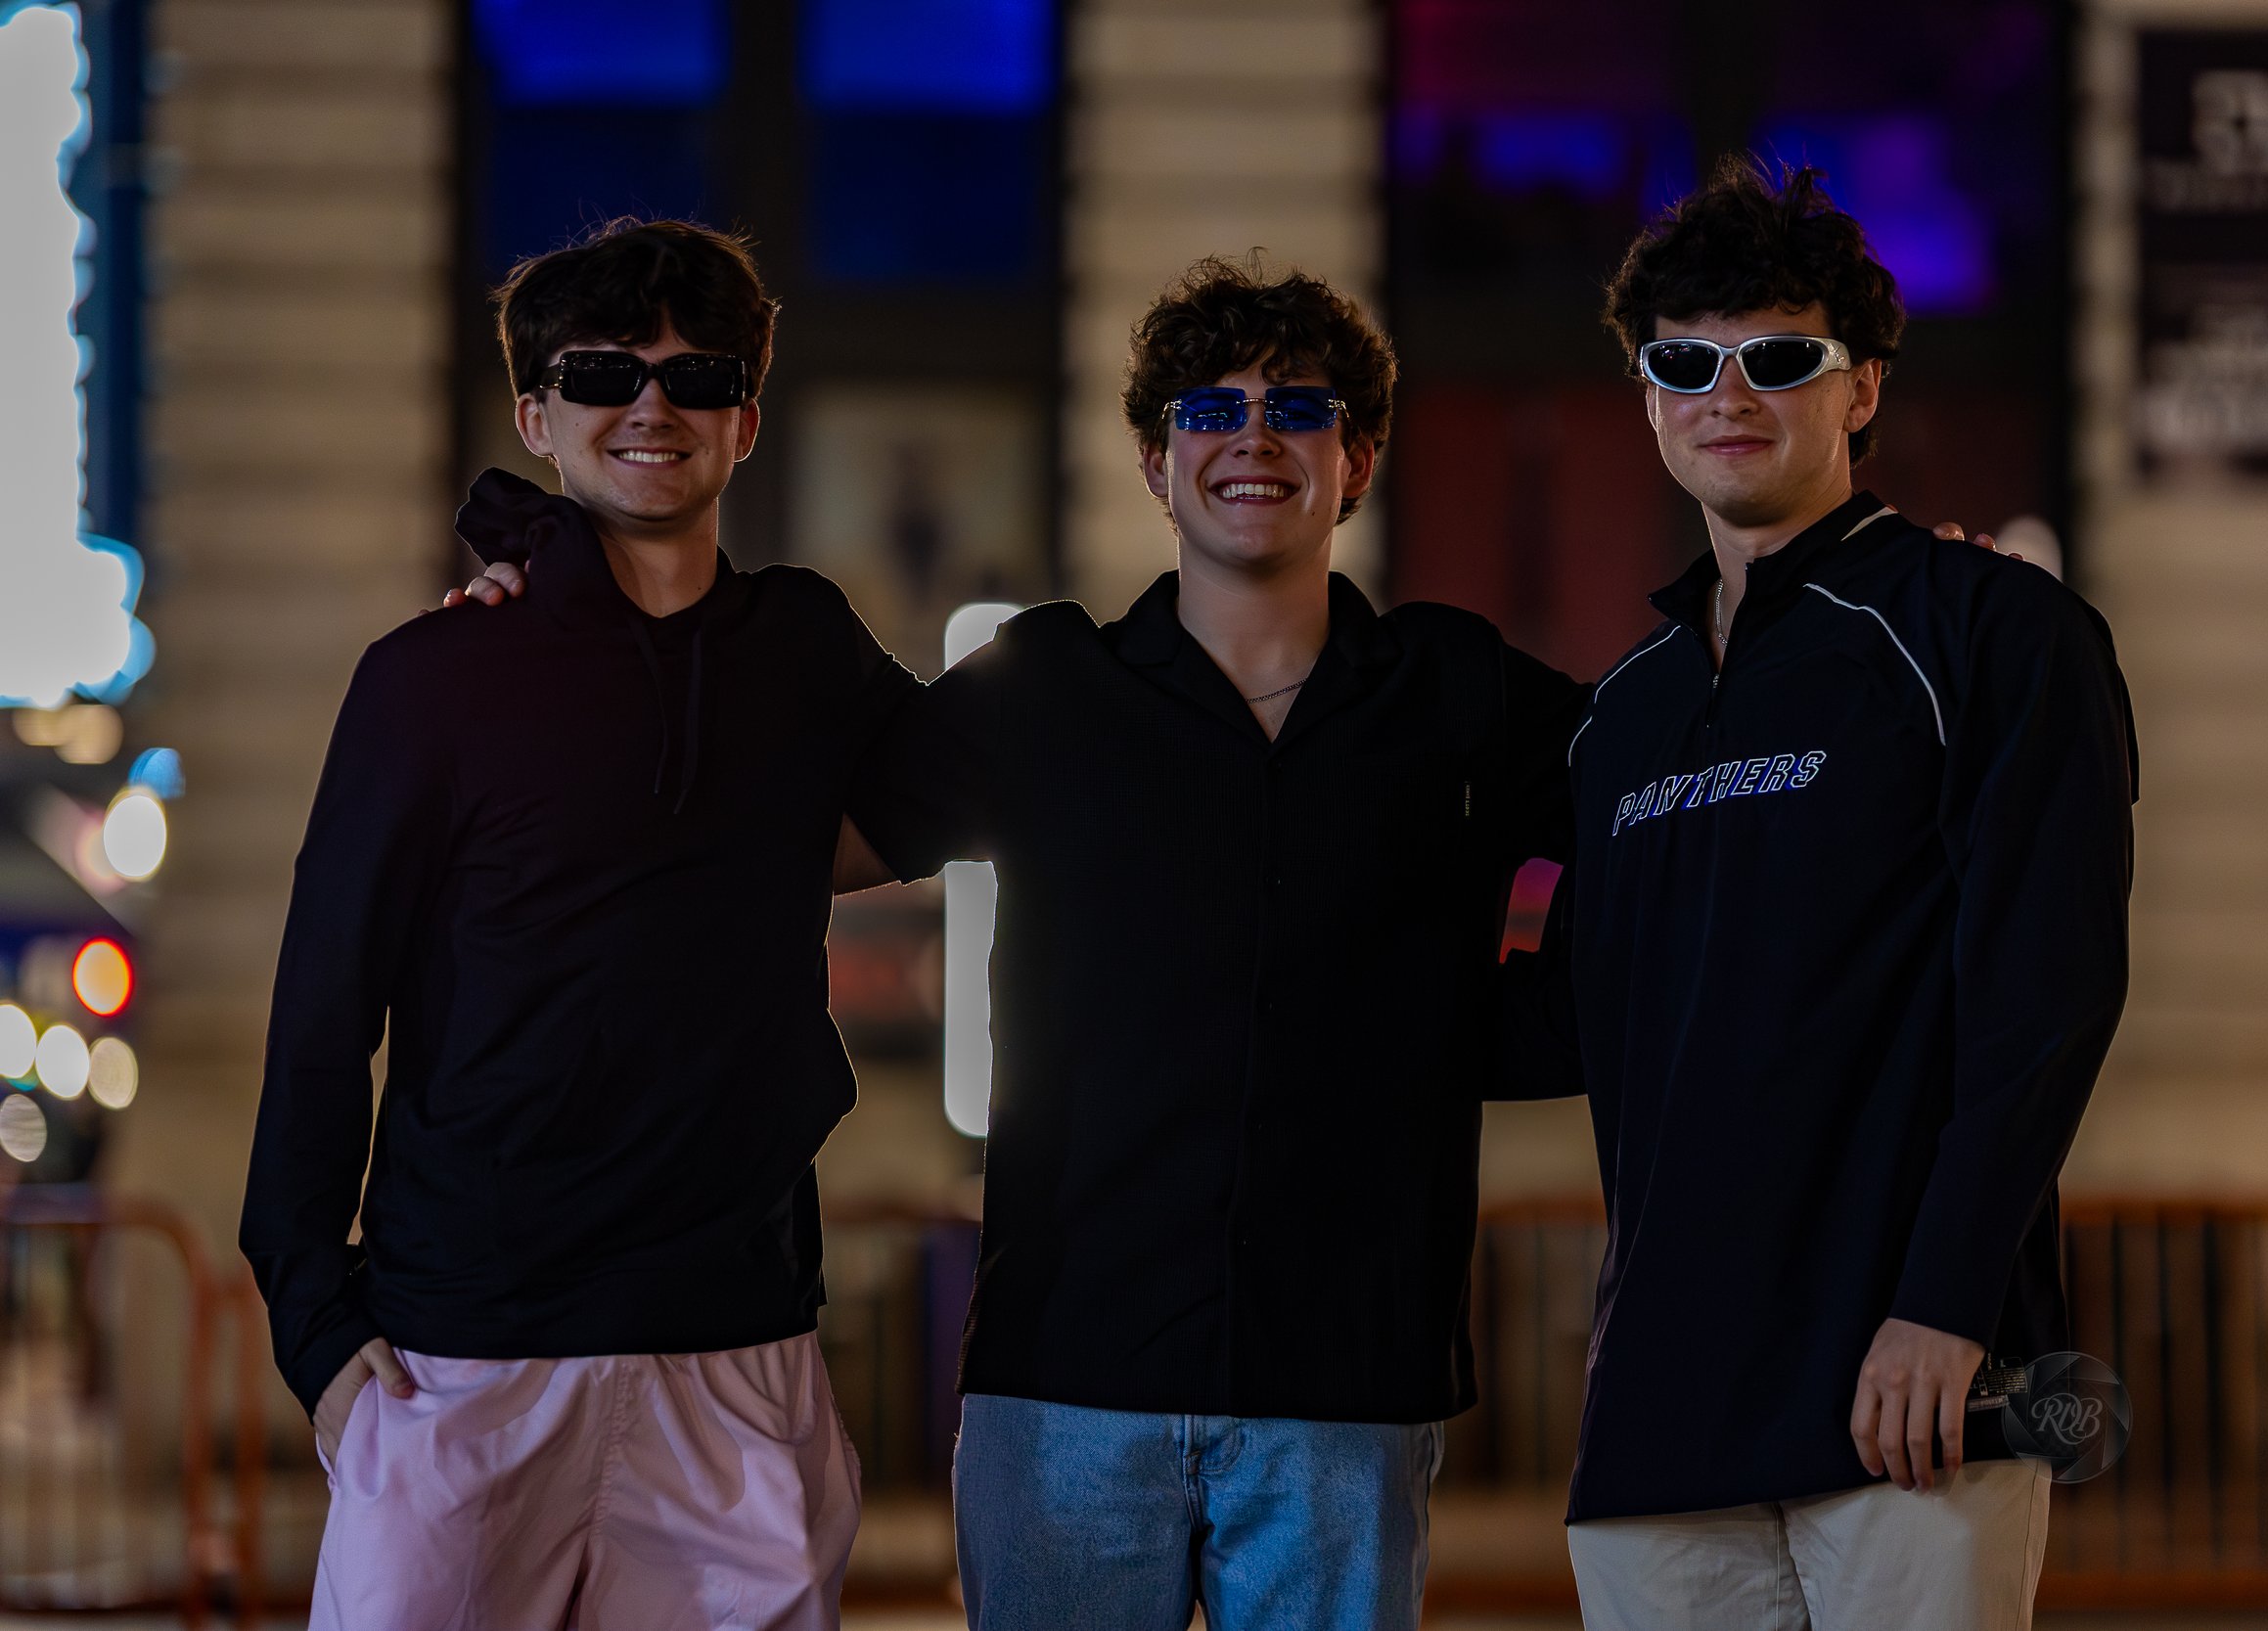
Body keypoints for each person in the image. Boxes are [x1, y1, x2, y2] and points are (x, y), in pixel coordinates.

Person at [461, 254, 1588, 1631]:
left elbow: (1684, 824)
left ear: (1357, 460)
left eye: (1296, 411)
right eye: (1206, 409)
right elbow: (760, 844)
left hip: (1349, 1390)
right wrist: (552, 640)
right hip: (1066, 1388)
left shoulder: (1454, 692)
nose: (1250, 437)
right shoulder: (1049, 689)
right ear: (1155, 462)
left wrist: (1497, 1028)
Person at [239, 219, 909, 1631]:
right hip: (461, 1360)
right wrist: (319, 1327)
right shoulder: (432, 679)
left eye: (697, 375)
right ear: (540, 417)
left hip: (739, 1354)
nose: (651, 407)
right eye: (603, 375)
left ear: (748, 419)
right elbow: (321, 1004)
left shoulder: (805, 649)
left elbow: (984, 797)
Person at [1532, 158, 2138, 1631]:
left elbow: (2044, 993)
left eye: (1778, 357)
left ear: (1859, 390)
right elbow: (1572, 1021)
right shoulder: (1629, 714)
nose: (1727, 392)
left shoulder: (1994, 630)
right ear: (1648, 392)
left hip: (1912, 1393)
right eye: (1685, 360)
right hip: (1661, 1418)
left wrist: (1947, 1306)